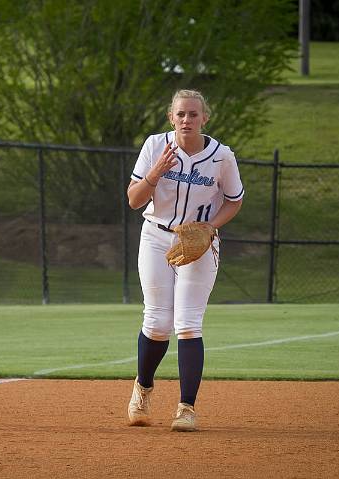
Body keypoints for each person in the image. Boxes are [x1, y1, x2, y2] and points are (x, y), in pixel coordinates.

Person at [126, 89, 244, 432]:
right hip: (156, 235)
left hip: (199, 241)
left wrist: (210, 228)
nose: (186, 120)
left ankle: (186, 408)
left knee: (189, 322)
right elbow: (134, 200)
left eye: (193, 114)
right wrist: (156, 172)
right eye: (181, 114)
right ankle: (143, 389)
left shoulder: (222, 156)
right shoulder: (154, 146)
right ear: (171, 117)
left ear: (204, 118)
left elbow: (234, 200)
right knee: (157, 321)